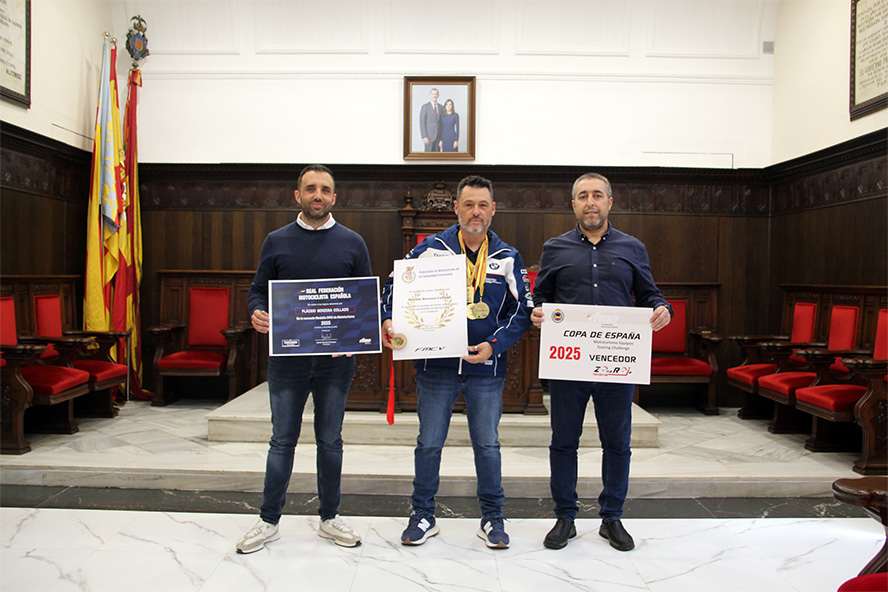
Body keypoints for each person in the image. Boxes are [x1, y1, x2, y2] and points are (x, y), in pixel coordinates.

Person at [381, 175, 533, 549]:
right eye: (468, 205)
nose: (475, 212)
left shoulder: (508, 257)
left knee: (487, 445)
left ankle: (492, 517)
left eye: (483, 205)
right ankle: (422, 515)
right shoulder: (428, 251)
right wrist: (388, 319)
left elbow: (523, 312)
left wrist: (493, 346)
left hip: (486, 370)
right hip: (437, 370)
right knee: (429, 443)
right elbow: (391, 289)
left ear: (493, 209)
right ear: (456, 208)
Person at [531, 172, 672, 553]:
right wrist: (536, 312)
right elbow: (539, 296)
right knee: (563, 442)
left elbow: (650, 294)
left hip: (616, 363)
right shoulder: (554, 248)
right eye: (582, 196)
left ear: (610, 202)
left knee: (617, 443)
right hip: (569, 364)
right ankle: (565, 516)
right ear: (573, 204)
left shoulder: (632, 247)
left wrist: (662, 309)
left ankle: (612, 517)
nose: (590, 202)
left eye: (597, 195)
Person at [237, 164, 372, 554]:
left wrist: (360, 333)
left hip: (335, 361)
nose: (318, 195)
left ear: (334, 197)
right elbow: (258, 290)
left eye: (325, 190)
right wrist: (257, 312)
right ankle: (268, 520)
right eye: (310, 189)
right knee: (282, 440)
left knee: (330, 440)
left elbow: (363, 298)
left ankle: (330, 517)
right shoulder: (277, 240)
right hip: (289, 360)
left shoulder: (353, 242)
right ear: (298, 195)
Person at [419, 88, 443, 152]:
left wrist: (442, 139)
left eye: (436, 94)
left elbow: (442, 123)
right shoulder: (425, 107)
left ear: (438, 95)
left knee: (437, 158)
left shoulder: (441, 107)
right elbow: (422, 123)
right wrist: (424, 137)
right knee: (428, 158)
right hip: (429, 137)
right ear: (430, 95)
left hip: (438, 137)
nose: (434, 96)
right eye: (433, 94)